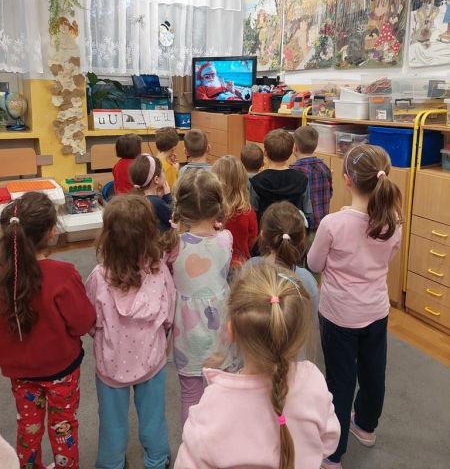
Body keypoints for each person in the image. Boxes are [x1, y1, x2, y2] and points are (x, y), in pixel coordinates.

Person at [174, 261, 340, 469]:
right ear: (299, 335)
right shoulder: (313, 380)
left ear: (231, 331)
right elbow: (329, 440)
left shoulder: (212, 406)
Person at [307, 144, 402, 469]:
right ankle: (365, 426)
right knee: (374, 373)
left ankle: (333, 454)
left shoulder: (333, 223)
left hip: (339, 316)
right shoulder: (393, 221)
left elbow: (314, 264)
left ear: (347, 179)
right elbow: (387, 258)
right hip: (376, 311)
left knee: (340, 381)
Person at [0, 192, 96, 469]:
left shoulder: (4, 275)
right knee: (63, 426)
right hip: (61, 371)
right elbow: (83, 322)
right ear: (51, 231)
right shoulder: (63, 273)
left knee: (28, 428)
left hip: (20, 372)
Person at [86, 195, 175, 469]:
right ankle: (157, 460)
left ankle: (111, 463)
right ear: (149, 234)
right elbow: (168, 315)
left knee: (112, 422)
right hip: (151, 359)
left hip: (111, 364)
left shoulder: (98, 277)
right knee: (153, 417)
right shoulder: (160, 273)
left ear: (108, 237)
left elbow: (89, 321)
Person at [166, 170, 233, 424]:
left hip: (187, 331)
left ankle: (192, 442)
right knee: (222, 392)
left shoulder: (173, 245)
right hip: (220, 327)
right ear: (217, 206)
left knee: (190, 396)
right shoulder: (225, 239)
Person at [256, 201, 319, 322]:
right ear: (301, 238)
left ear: (262, 234)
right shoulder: (306, 280)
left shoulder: (249, 269)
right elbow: (312, 323)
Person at [250, 128, 313, 225]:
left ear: (265, 153)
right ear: (291, 152)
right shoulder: (301, 179)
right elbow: (308, 211)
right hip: (294, 230)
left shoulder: (256, 181)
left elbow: (254, 212)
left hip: (266, 230)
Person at [212, 155, 258, 269]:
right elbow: (253, 238)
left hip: (214, 261)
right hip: (240, 264)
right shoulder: (248, 211)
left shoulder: (210, 211)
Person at [291, 125, 333, 242]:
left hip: (303, 227)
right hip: (322, 225)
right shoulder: (324, 167)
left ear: (295, 147)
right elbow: (330, 192)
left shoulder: (294, 170)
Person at [130, 153, 172, 233]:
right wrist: (168, 197)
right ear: (156, 179)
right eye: (163, 171)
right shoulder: (156, 202)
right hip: (161, 239)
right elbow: (173, 219)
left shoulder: (139, 197)